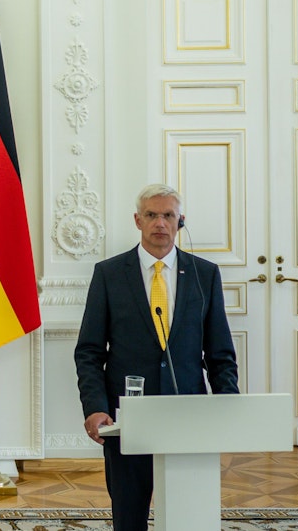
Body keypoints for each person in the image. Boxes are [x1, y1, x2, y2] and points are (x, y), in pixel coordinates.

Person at [75, 183, 239, 531]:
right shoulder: (109, 274)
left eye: (168, 215)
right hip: (128, 417)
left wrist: (228, 406)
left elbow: (220, 351)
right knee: (129, 514)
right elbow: (89, 351)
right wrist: (94, 406)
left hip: (188, 415)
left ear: (181, 221)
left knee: (188, 516)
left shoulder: (204, 274)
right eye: (151, 215)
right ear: (138, 220)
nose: (160, 223)